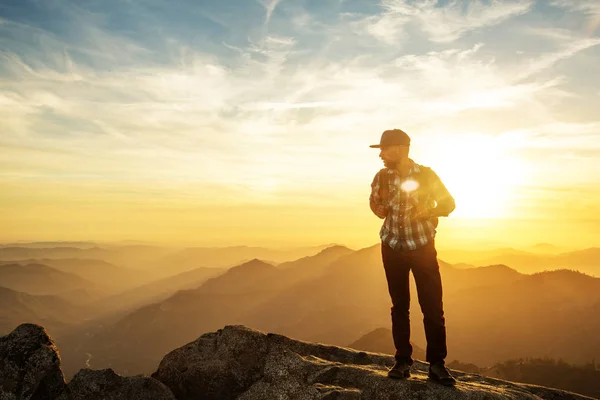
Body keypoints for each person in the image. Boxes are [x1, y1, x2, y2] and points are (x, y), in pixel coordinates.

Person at [369, 129, 457, 386]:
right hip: (392, 247)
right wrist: (379, 209)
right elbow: (374, 203)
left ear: (400, 149)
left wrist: (428, 210)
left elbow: (449, 204)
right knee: (400, 306)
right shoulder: (382, 177)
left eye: (385, 149)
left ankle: (437, 365)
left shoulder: (427, 176)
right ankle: (402, 360)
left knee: (432, 308)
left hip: (422, 248)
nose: (382, 155)